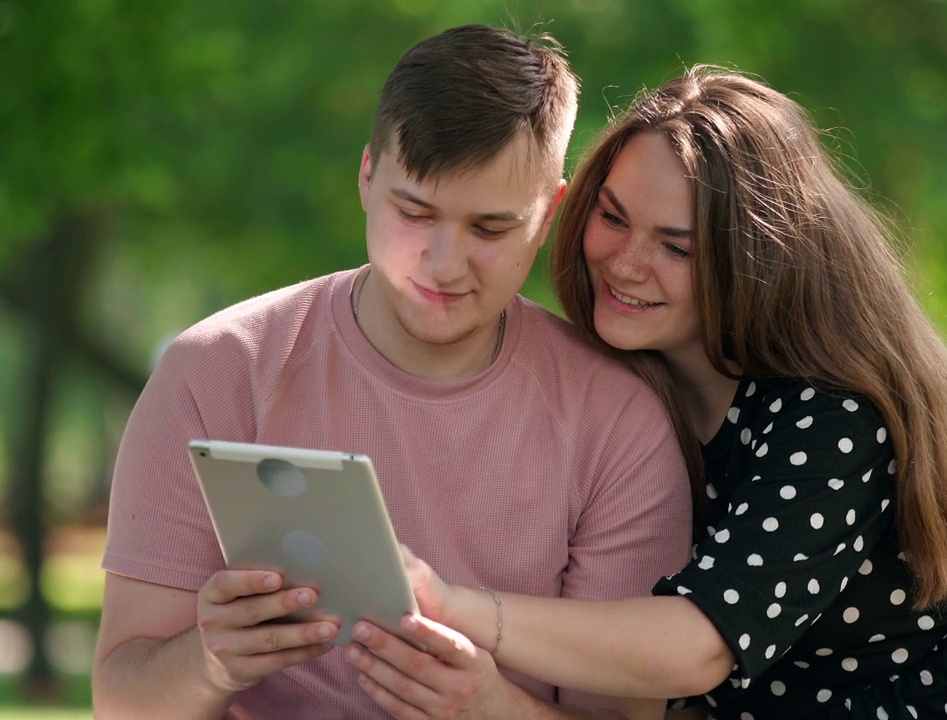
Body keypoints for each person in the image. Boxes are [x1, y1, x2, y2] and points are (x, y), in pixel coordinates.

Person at [357, 66, 947, 719]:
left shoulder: (828, 417)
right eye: (613, 218)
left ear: (756, 257)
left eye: (677, 247)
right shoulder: (609, 389)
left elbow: (699, 644)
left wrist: (457, 608)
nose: (623, 261)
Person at [91, 25, 694, 720]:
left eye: (490, 229)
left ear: (548, 217)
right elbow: (121, 701)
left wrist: (494, 708)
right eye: (416, 211)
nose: (443, 263)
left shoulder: (618, 424)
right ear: (368, 176)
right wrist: (208, 659)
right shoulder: (216, 372)